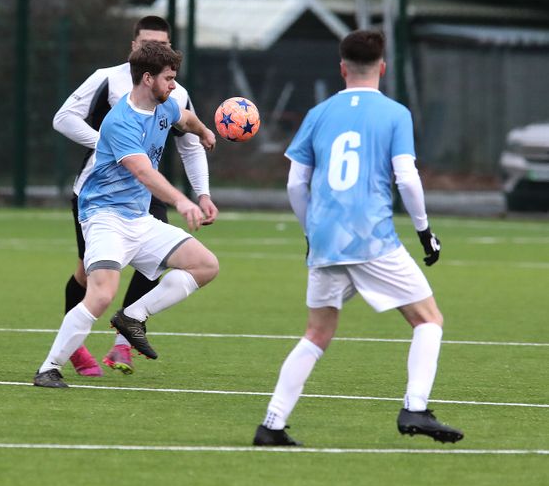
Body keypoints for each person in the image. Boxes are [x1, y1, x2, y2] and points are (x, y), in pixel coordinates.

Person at [253, 29, 464, 446]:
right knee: (428, 320)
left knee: (316, 334)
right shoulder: (395, 113)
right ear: (382, 67)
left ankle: (271, 425)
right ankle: (415, 408)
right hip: (371, 238)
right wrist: (424, 232)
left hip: (327, 237)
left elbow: (297, 183)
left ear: (341, 68)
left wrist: (310, 230)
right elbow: (406, 177)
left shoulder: (318, 113)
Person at [34, 40, 219, 388]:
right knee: (101, 293)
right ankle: (49, 367)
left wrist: (204, 130)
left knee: (206, 264)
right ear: (147, 79)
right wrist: (182, 201)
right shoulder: (120, 122)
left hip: (137, 217)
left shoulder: (166, 106)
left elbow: (186, 117)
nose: (174, 85)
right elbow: (143, 172)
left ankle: (133, 315)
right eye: (168, 78)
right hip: (104, 216)